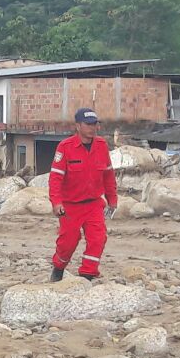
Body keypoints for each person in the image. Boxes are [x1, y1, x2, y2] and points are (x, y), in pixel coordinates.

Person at [48, 108, 118, 282]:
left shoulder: (101, 145)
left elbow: (108, 175)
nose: (93, 128)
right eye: (88, 124)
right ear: (78, 126)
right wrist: (56, 203)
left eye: (95, 124)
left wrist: (112, 199)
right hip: (70, 206)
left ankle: (87, 275)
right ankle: (58, 268)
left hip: (94, 204)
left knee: (98, 239)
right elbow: (55, 178)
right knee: (68, 242)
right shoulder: (65, 147)